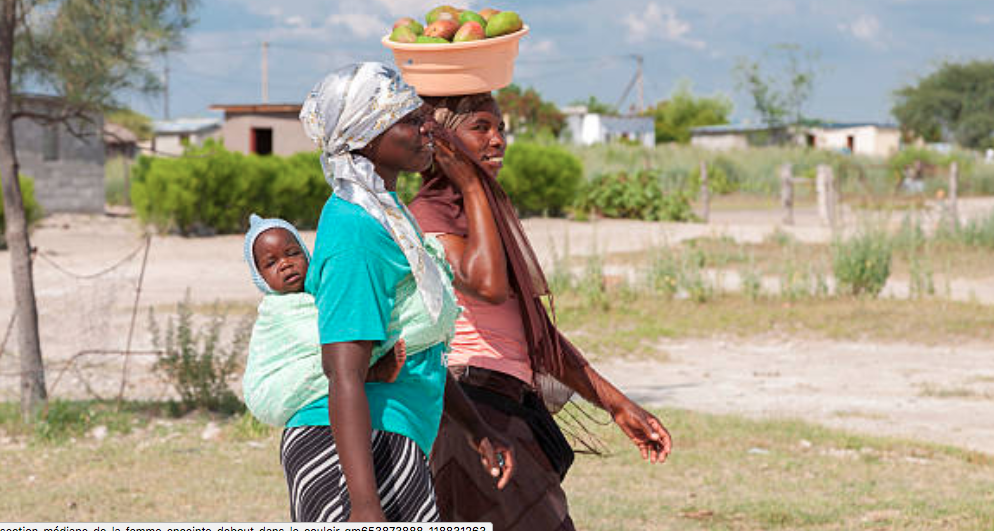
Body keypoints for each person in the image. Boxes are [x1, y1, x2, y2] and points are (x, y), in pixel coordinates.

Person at [409, 92, 673, 530]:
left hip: (503, 407)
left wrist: (618, 405)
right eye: (480, 127)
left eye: (501, 129)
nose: (498, 140)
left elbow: (536, 337)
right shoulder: (428, 215)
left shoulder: (481, 214)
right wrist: (473, 186)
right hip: (469, 411)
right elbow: (488, 287)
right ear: (442, 140)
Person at [282, 63, 514, 523]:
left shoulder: (389, 217)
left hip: (390, 434)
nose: (428, 126)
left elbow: (415, 346)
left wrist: (476, 428)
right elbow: (342, 371)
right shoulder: (355, 230)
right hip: (355, 448)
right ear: (367, 137)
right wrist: (366, 505)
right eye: (409, 120)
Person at [241, 213, 406, 428]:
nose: (285, 264)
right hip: (270, 390)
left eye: (292, 253)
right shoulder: (277, 309)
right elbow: (315, 336)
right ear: (260, 277)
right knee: (337, 349)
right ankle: (371, 371)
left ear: (307, 254)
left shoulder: (319, 290)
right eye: (271, 263)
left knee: (338, 348)